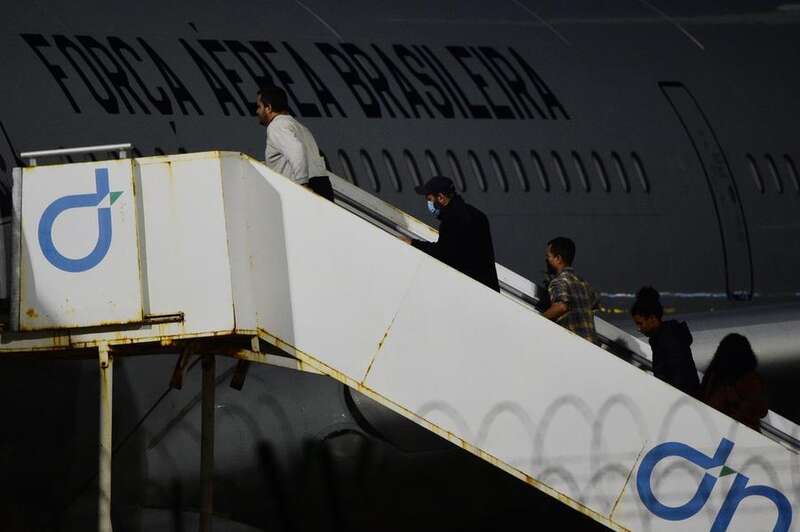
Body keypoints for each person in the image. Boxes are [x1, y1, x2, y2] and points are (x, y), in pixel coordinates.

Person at [401, 176, 499, 291]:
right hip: (489, 286)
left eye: (429, 199)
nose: (428, 203)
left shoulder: (452, 220)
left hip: (474, 290)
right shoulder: (477, 214)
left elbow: (443, 253)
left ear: (441, 198)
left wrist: (413, 243)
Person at [255, 85, 333, 201]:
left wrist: (302, 185)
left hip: (306, 185)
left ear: (268, 108)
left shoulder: (276, 126)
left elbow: (297, 150)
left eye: (259, 106)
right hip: (322, 184)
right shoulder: (300, 127)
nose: (257, 111)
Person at [630, 286, 700, 396]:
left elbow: (678, 379)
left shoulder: (667, 340)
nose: (639, 328)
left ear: (652, 318)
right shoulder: (667, 336)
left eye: (640, 323)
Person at [700, 333, 768, 432]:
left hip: (718, 429)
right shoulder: (750, 379)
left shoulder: (714, 376)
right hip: (738, 432)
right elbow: (762, 410)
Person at [542, 237, 599, 344]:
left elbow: (561, 306)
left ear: (558, 258)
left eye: (548, 256)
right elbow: (594, 306)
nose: (546, 260)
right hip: (592, 345)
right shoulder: (585, 285)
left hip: (574, 344)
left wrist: (539, 319)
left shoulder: (559, 281)